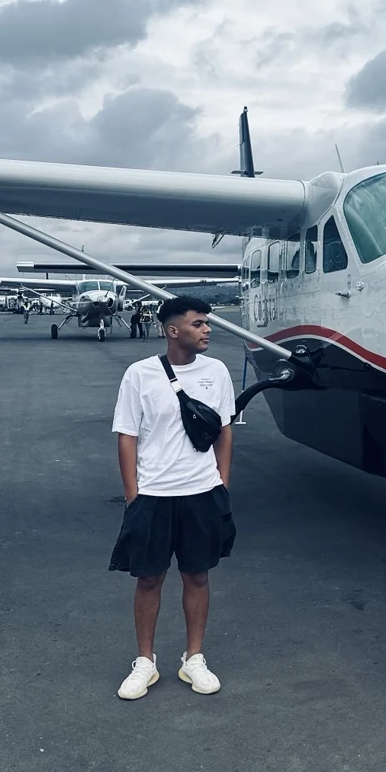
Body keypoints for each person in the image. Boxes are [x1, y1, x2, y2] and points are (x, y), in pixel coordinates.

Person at [109, 296, 236, 701]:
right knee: (149, 578)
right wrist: (133, 495)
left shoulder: (217, 372)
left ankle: (193, 658)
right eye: (198, 324)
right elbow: (126, 435)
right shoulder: (140, 374)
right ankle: (145, 662)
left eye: (206, 323)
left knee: (197, 575)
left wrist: (222, 484)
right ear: (172, 330)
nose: (207, 330)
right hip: (154, 494)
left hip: (201, 492)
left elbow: (224, 432)